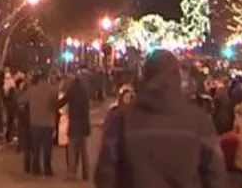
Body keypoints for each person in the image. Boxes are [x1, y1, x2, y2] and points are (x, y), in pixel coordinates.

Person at [94, 50, 227, 188]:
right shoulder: (199, 122)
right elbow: (215, 175)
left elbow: (105, 175)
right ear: (178, 78)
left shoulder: (121, 120)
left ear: (144, 77)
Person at [22, 71, 58, 176]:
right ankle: (47, 169)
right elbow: (56, 104)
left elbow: (22, 100)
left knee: (36, 147)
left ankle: (36, 169)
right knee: (47, 148)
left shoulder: (32, 90)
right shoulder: (53, 90)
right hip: (48, 123)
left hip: (35, 123)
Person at [61, 73, 92, 181]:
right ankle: (86, 173)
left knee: (72, 150)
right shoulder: (84, 91)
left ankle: (72, 173)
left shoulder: (71, 91)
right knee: (84, 151)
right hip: (84, 125)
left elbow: (62, 102)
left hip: (74, 124)